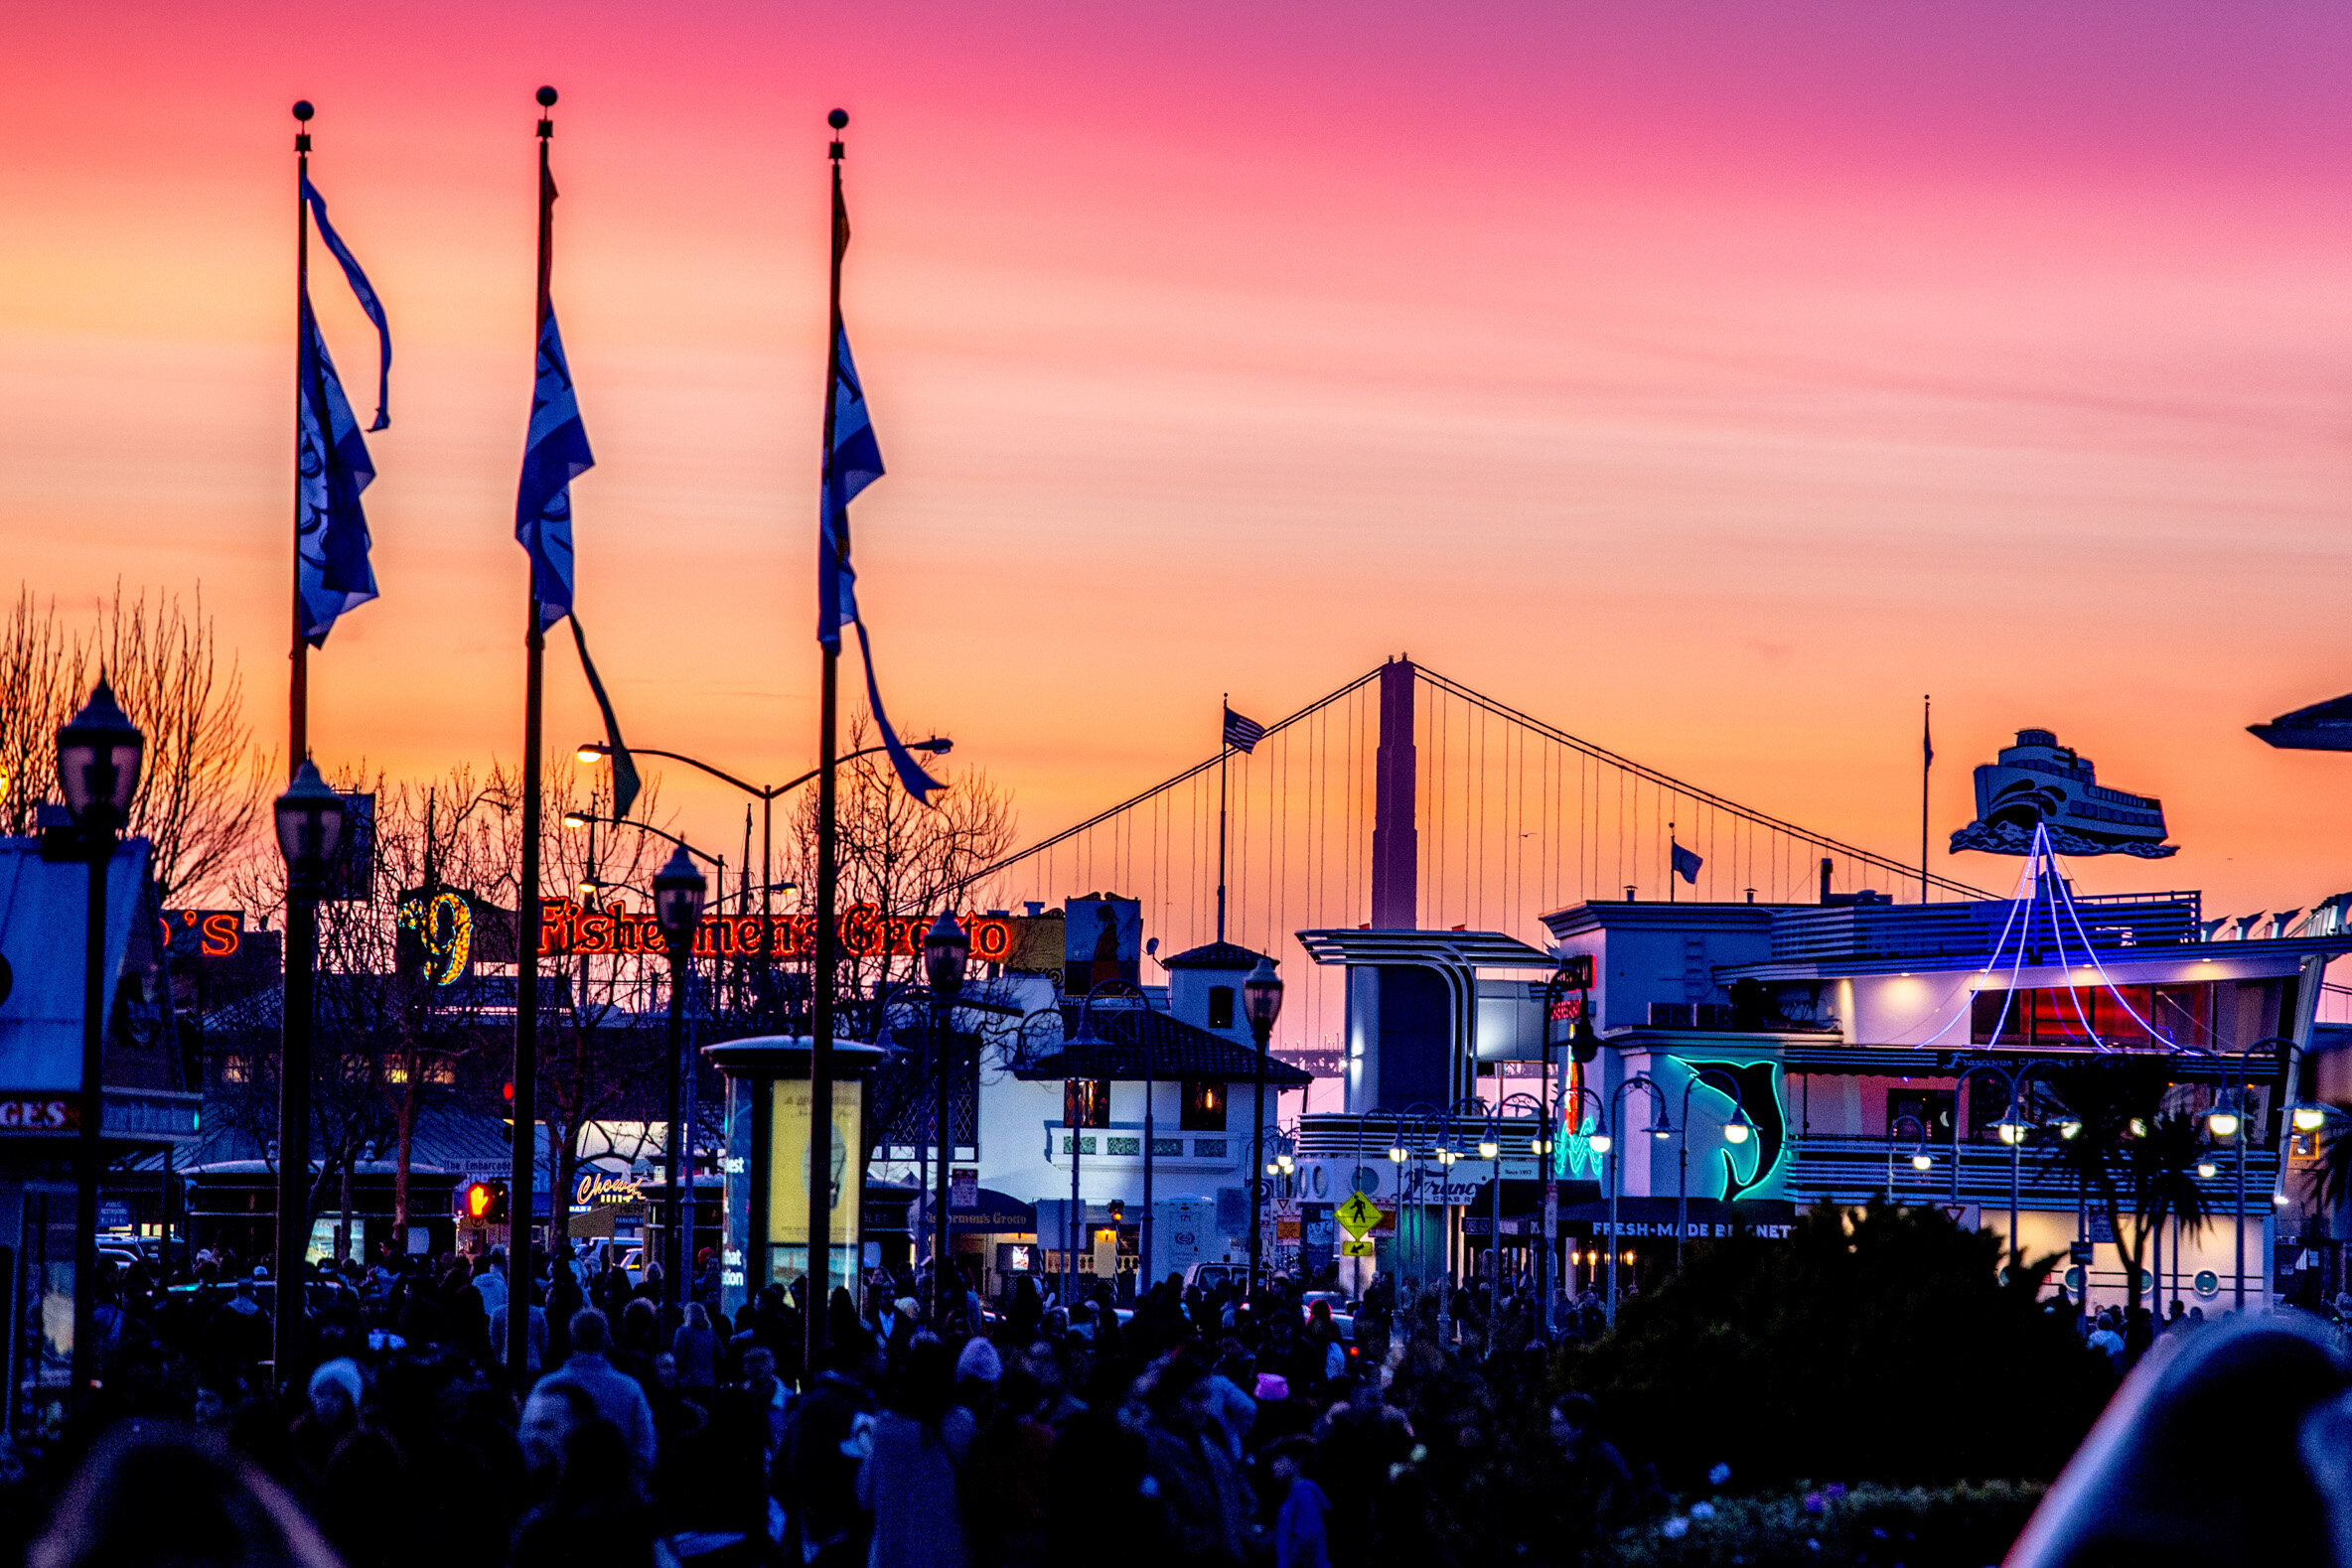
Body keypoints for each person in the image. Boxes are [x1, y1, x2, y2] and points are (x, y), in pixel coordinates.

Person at [857, 1333, 977, 1568]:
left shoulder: (885, 1428)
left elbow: (864, 1494)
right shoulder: (962, 1424)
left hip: (891, 1553)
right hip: (947, 1552)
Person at [1129, 1351, 1253, 1568]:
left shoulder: (1211, 1445)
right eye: (1195, 1398)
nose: (1204, 1407)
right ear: (1170, 1401)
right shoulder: (1150, 1450)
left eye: (1206, 1397)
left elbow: (1241, 1498)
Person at [537, 1307, 659, 1475]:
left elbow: (532, 1443)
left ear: (572, 1338)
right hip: (615, 1485)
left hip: (563, 1487)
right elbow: (645, 1445)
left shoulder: (547, 1386)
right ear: (605, 1339)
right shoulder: (629, 1388)